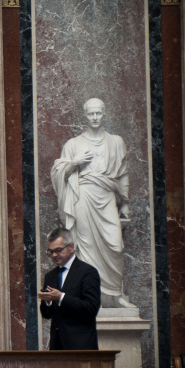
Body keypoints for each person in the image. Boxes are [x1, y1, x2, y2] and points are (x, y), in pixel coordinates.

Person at [51, 98, 133, 308]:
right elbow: (58, 172)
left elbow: (122, 174)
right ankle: (89, 295)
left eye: (98, 113)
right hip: (83, 197)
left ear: (104, 113)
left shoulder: (116, 142)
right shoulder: (74, 145)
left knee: (115, 245)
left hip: (106, 198)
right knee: (85, 248)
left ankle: (115, 294)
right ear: (84, 115)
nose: (95, 118)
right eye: (91, 114)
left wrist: (124, 202)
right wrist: (75, 163)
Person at [37, 228, 101, 350]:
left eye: (58, 250)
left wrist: (61, 297)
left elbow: (91, 309)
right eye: (51, 252)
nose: (54, 255)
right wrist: (47, 301)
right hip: (57, 346)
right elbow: (47, 314)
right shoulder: (50, 276)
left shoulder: (87, 272)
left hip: (81, 346)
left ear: (71, 247)